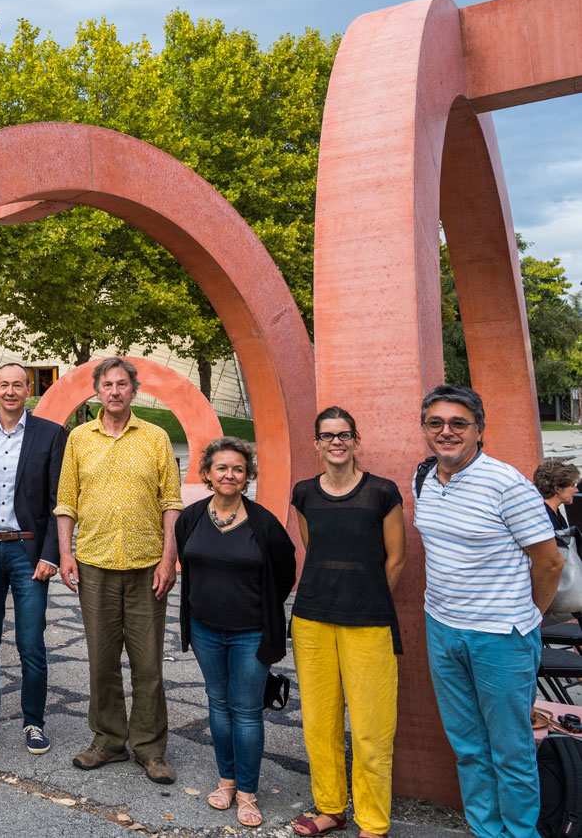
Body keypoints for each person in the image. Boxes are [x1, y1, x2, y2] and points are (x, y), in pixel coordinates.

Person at [414, 384, 563, 837]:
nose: (447, 432)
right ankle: (485, 830)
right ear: (425, 429)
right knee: (468, 747)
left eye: (459, 423)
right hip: (441, 628)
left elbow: (550, 561)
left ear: (480, 429)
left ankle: (520, 833)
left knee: (511, 750)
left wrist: (528, 617)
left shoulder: (507, 484)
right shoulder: (422, 476)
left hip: (501, 636)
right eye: (436, 423)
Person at [55, 357, 182, 784]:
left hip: (148, 568)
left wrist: (169, 558)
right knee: (102, 660)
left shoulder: (156, 437)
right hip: (94, 564)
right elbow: (66, 502)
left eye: (122, 384)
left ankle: (150, 747)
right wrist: (65, 554)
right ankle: (108, 740)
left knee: (148, 664)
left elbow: (171, 504)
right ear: (96, 392)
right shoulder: (79, 439)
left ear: (134, 390)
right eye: (106, 384)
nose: (114, 391)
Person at [289, 407, 405, 838]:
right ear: (315, 443)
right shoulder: (303, 493)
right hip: (312, 619)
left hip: (368, 621)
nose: (336, 442)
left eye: (344, 435)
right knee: (320, 723)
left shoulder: (381, 492)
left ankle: (373, 823)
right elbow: (312, 548)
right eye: (327, 435)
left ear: (357, 440)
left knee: (373, 729)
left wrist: (365, 595)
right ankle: (330, 808)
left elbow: (397, 558)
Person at [175, 437, 296, 829]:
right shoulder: (190, 517)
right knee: (217, 703)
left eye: (238, 469)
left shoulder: (265, 525)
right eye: (222, 468)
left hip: (251, 633)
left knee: (245, 711)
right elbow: (187, 561)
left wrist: (256, 609)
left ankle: (247, 791)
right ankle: (225, 781)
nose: (230, 474)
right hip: (205, 628)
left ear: (248, 477)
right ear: (207, 473)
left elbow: (284, 574)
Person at [0, 362, 67, 756]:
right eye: (3, 384)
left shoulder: (53, 435)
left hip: (29, 554)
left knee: (30, 644)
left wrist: (51, 555)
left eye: (17, 385)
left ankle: (33, 723)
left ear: (28, 390)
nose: (9, 391)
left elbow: (60, 500)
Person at [534, 458, 580, 531]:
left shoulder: (555, 512)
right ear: (558, 489)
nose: (576, 490)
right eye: (572, 485)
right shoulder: (545, 518)